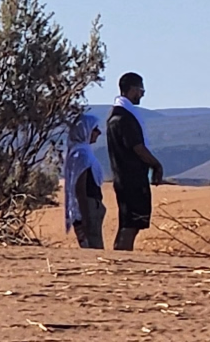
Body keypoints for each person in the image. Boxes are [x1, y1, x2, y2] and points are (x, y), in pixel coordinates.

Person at [106, 73, 164, 251]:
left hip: (126, 178)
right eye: (141, 90)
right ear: (132, 90)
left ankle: (121, 256)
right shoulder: (124, 119)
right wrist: (156, 164)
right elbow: (138, 147)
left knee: (130, 223)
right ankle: (122, 259)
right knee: (130, 224)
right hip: (131, 179)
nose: (142, 94)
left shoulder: (118, 116)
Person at [62, 113, 108, 250]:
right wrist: (86, 217)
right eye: (95, 129)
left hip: (91, 206)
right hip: (87, 208)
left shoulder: (81, 152)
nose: (98, 133)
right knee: (94, 248)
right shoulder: (81, 155)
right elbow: (80, 188)